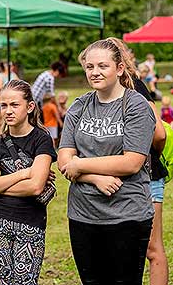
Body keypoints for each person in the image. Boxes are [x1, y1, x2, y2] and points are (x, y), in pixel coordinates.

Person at [58, 38, 155, 284]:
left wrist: (81, 165)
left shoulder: (136, 105)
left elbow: (132, 161)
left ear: (119, 68)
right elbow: (64, 159)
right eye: (90, 67)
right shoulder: (79, 106)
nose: (95, 72)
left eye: (102, 66)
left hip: (127, 215)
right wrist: (93, 176)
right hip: (83, 215)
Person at [0, 80, 56, 285]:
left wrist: (0, 182)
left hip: (30, 223)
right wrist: (25, 173)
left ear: (29, 107)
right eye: (4, 105)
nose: (8, 111)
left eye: (14, 105)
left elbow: (36, 186)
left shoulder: (42, 140)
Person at [105, 37, 169, 285]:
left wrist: (147, 155)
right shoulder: (102, 94)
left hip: (146, 177)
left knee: (151, 249)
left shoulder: (135, 88)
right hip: (118, 178)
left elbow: (159, 133)